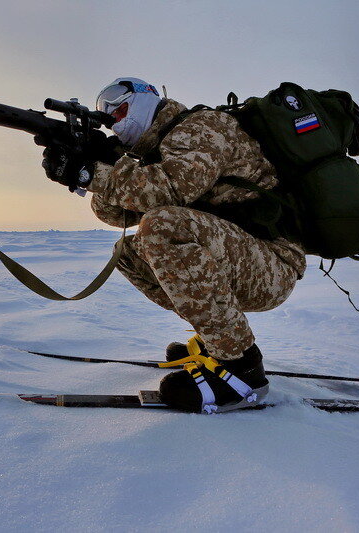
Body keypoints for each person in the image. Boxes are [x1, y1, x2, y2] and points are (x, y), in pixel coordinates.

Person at [41, 77, 306, 413]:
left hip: (271, 264)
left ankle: (242, 369)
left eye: (120, 108)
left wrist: (89, 174)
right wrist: (97, 160)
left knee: (163, 227)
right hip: (238, 258)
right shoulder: (152, 154)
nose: (116, 120)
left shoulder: (203, 126)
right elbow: (112, 213)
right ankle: (217, 343)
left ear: (146, 100)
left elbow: (172, 189)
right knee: (128, 251)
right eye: (108, 116)